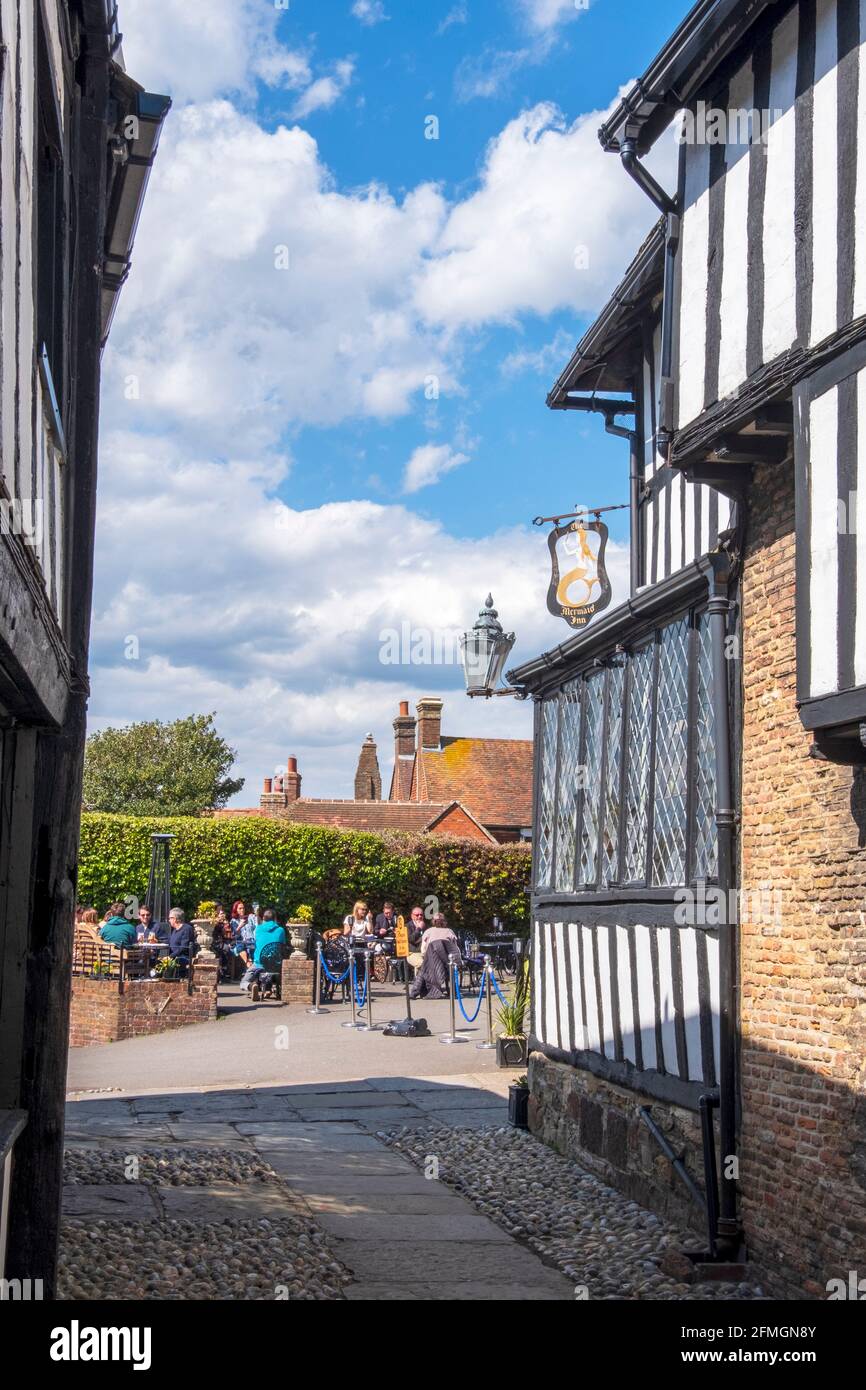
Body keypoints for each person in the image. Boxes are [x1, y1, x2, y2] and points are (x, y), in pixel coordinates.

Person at [409, 914, 461, 1000]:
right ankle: (453, 991)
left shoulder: (428, 931)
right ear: (444, 921)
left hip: (432, 961)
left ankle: (414, 992)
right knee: (426, 965)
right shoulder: (449, 931)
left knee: (424, 968)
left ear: (433, 921)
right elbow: (455, 948)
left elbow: (423, 950)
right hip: (447, 962)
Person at [240, 909, 287, 999]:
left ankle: (252, 986)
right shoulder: (281, 930)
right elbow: (282, 944)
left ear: (263, 918)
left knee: (243, 982)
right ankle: (268, 989)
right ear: (275, 919)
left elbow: (256, 941)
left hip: (259, 964)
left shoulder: (258, 929)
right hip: (275, 965)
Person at [166, 907, 195, 974]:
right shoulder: (174, 930)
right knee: (158, 961)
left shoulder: (187, 929)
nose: (169, 920)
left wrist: (170, 957)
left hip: (183, 957)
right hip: (174, 957)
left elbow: (183, 947)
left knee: (166, 965)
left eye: (170, 918)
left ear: (175, 919)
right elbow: (170, 942)